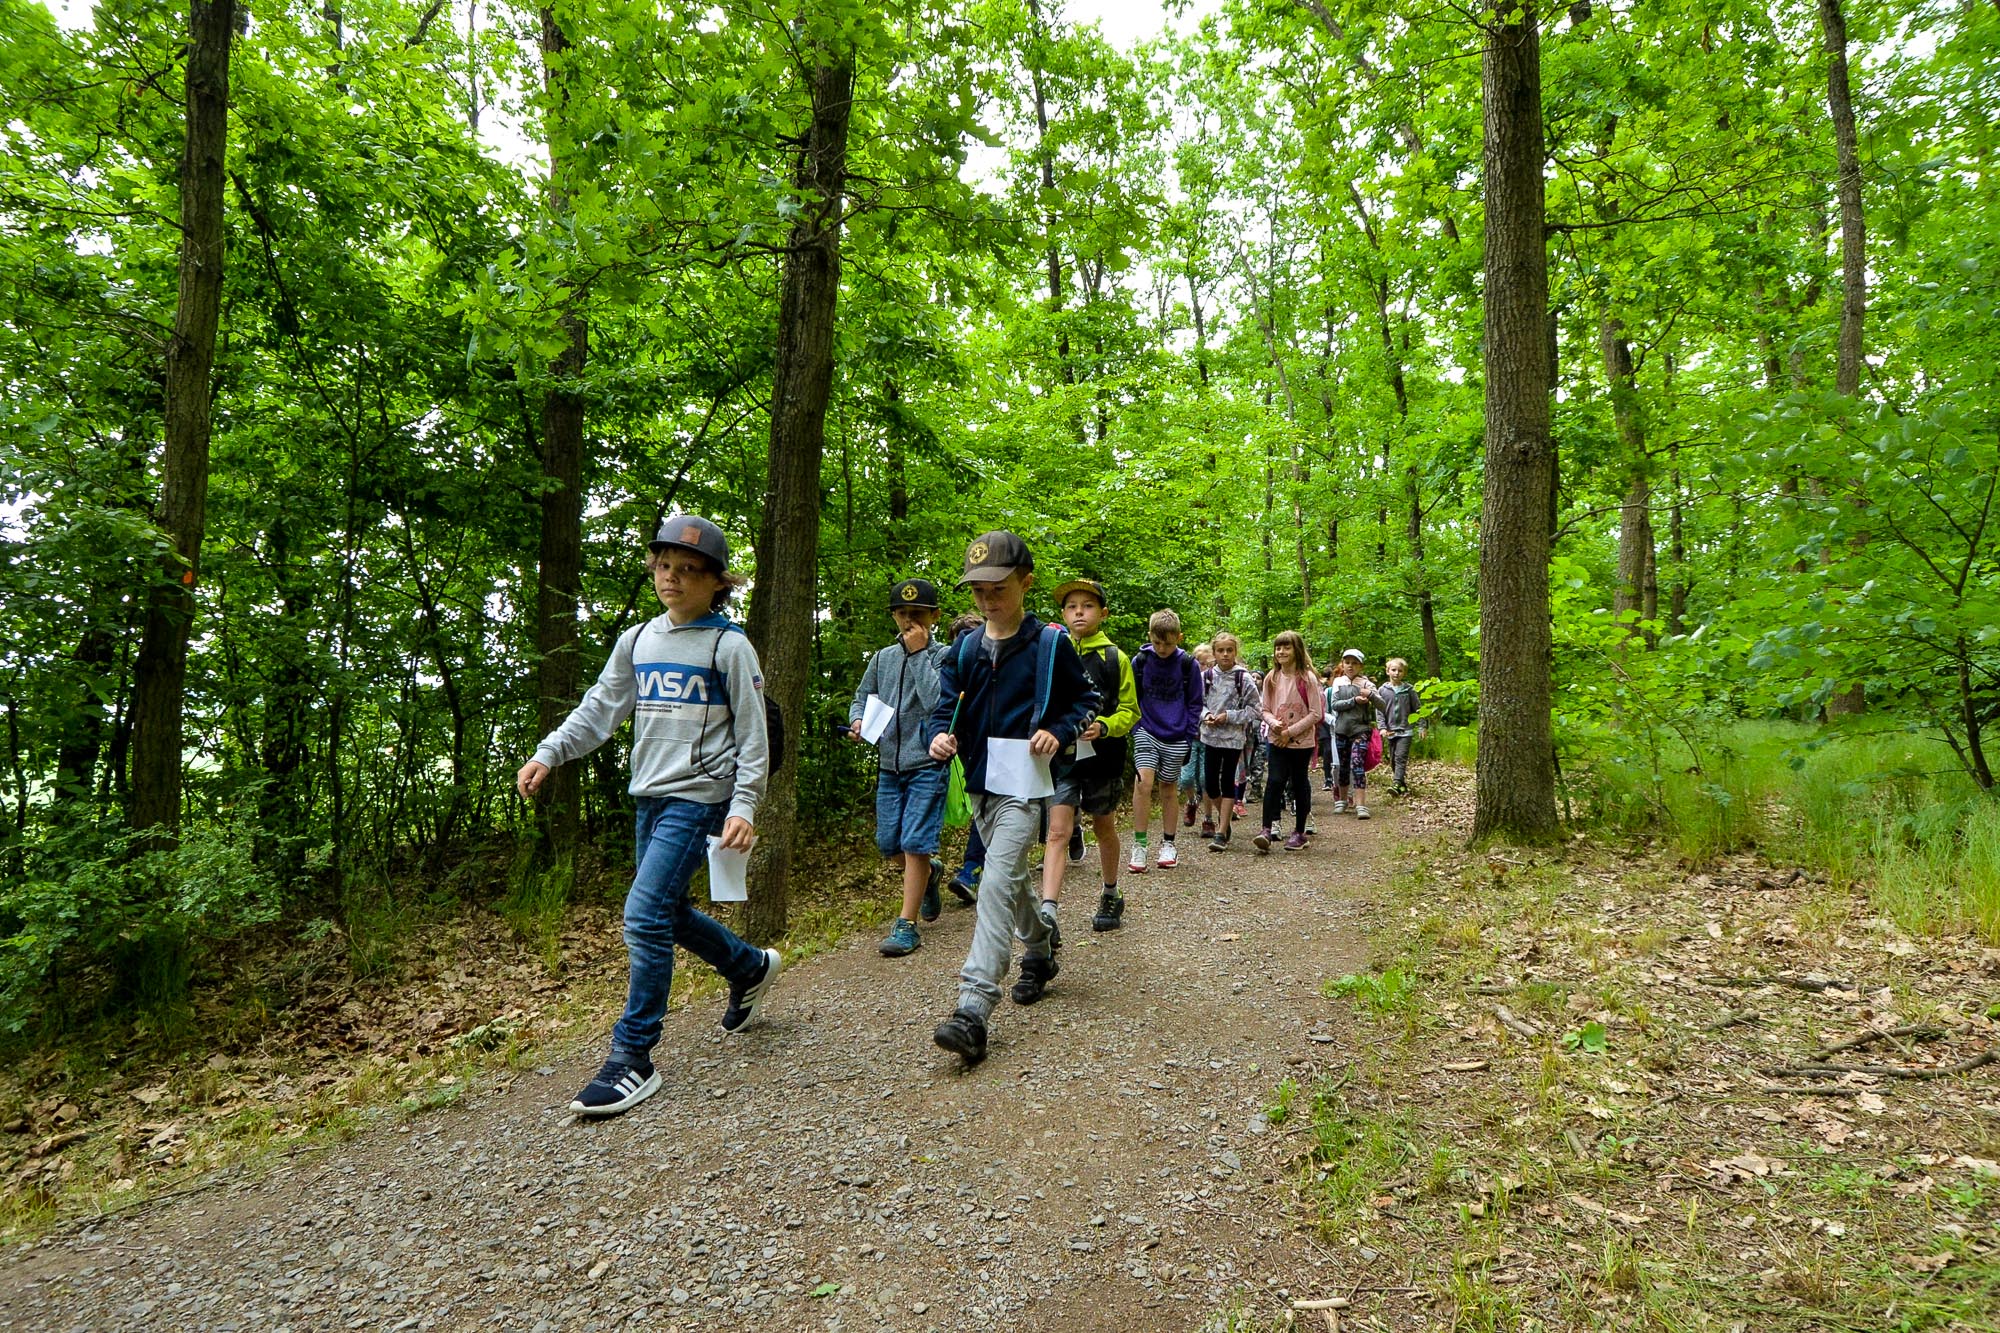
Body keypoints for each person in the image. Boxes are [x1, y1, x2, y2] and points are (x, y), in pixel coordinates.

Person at [517, 514, 781, 1119]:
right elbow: (600, 709)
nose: (672, 578)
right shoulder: (637, 640)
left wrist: (744, 805)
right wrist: (548, 753)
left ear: (718, 582)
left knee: (642, 915)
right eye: (664, 566)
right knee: (668, 911)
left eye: (689, 571)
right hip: (650, 795)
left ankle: (632, 1056)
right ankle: (749, 966)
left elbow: (753, 734)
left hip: (702, 796)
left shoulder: (729, 646)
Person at [926, 531, 1097, 1066]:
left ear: (1025, 583)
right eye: (977, 590)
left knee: (995, 884)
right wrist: (938, 734)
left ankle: (972, 1008)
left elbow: (1084, 700)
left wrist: (1059, 729)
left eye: (997, 587)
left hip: (1024, 785)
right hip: (978, 780)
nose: (986, 599)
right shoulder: (967, 647)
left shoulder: (1050, 644)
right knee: (1012, 881)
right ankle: (1042, 945)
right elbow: (942, 702)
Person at [849, 578, 949, 957]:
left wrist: (921, 654)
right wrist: (857, 720)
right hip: (889, 766)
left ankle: (906, 925)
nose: (910, 622)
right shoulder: (881, 659)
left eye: (919, 615)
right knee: (889, 843)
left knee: (914, 843)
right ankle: (930, 873)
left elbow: (937, 702)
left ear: (934, 616)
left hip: (927, 763)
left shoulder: (943, 656)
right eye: (903, 614)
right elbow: (862, 698)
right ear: (894, 616)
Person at [1039, 578, 1139, 939]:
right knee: (1057, 831)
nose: (1079, 612)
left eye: (1088, 606)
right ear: (1063, 614)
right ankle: (1048, 912)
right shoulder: (1051, 653)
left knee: (1103, 826)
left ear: (1103, 613)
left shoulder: (1115, 658)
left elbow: (1131, 710)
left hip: (1103, 759)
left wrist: (1106, 726)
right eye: (1071, 606)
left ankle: (1111, 892)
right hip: (1062, 758)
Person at [1127, 610, 1204, 872]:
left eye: (1168, 643)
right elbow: (1131, 698)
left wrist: (1188, 735)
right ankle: (1139, 845)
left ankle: (1168, 843)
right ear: (1150, 637)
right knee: (1143, 783)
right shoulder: (1140, 661)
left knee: (1168, 788)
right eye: (1158, 642)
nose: (1162, 648)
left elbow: (1195, 702)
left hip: (1176, 735)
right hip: (1146, 730)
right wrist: (1136, 727)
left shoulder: (1188, 665)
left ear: (1178, 638)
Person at [1254, 631, 1323, 854]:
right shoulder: (1271, 678)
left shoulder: (1307, 679)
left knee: (1298, 782)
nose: (1281, 652)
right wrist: (1274, 724)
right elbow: (1264, 709)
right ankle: (1266, 829)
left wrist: (1290, 732)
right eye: (1278, 648)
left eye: (1287, 647)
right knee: (1274, 781)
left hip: (1301, 742)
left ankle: (1300, 832)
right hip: (1276, 739)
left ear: (1297, 650)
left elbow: (1315, 713)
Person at [1197, 632, 1260, 851]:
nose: (1225, 654)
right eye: (1221, 650)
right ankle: (1225, 816)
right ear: (1214, 653)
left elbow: (1255, 709)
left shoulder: (1243, 678)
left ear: (1235, 652)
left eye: (1229, 650)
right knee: (1210, 782)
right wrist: (1206, 716)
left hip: (1233, 739)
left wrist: (1229, 716)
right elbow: (1197, 703)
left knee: (1227, 783)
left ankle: (1221, 831)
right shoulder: (1206, 677)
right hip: (1210, 736)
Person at [945, 613, 987, 902]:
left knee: (985, 803)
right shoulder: (949, 668)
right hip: (960, 744)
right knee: (979, 803)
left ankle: (972, 868)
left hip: (993, 743)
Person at [1327, 648, 1378, 819]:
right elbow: (1334, 705)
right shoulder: (1338, 683)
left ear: (1361, 666)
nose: (1350, 666)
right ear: (1343, 664)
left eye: (1354, 663)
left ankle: (1361, 805)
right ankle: (1342, 800)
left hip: (1361, 730)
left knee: (1357, 763)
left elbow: (1382, 705)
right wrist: (1354, 700)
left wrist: (1370, 695)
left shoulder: (1366, 683)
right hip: (1341, 729)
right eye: (1347, 662)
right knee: (1343, 765)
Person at [1378, 657, 1421, 796]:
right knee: (1392, 759)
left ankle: (1396, 784)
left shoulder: (1409, 690)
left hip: (1405, 730)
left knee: (1400, 757)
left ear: (1404, 673)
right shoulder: (1383, 690)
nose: (1396, 673)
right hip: (1390, 731)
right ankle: (1402, 786)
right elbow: (1379, 711)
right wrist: (1382, 727)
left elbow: (1418, 709)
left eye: (1400, 671)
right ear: (1388, 671)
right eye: (1393, 670)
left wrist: (1421, 726)